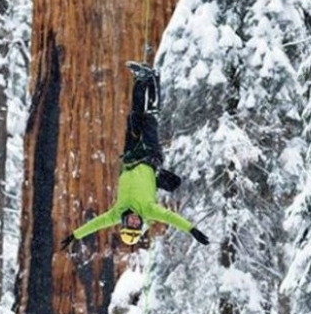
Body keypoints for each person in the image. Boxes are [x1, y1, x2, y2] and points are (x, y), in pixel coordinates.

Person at [60, 61, 209, 251]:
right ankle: (153, 78)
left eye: (129, 223)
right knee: (149, 117)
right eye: (136, 225)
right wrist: (192, 230)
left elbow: (96, 224)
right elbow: (172, 218)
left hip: (130, 157)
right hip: (149, 156)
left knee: (134, 117)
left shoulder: (116, 213)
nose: (133, 220)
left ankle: (140, 79)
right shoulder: (149, 211)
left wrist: (75, 235)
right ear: (140, 225)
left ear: (123, 223)